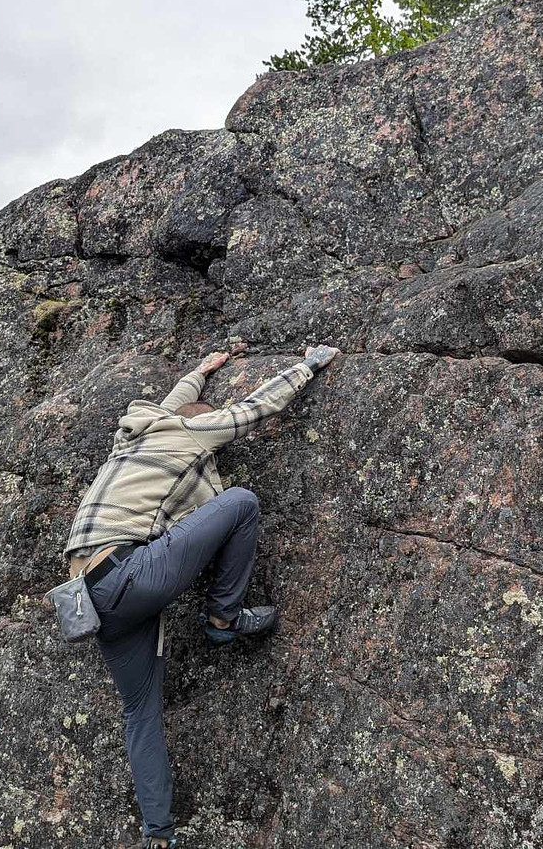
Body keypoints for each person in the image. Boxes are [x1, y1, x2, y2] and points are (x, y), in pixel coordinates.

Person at [64, 344, 341, 848]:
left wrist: (200, 370)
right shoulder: (191, 432)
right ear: (199, 423)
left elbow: (171, 403)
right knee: (241, 501)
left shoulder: (130, 438)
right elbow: (255, 408)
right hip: (130, 575)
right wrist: (309, 364)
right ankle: (223, 620)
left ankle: (158, 835)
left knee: (140, 714)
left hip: (89, 600)